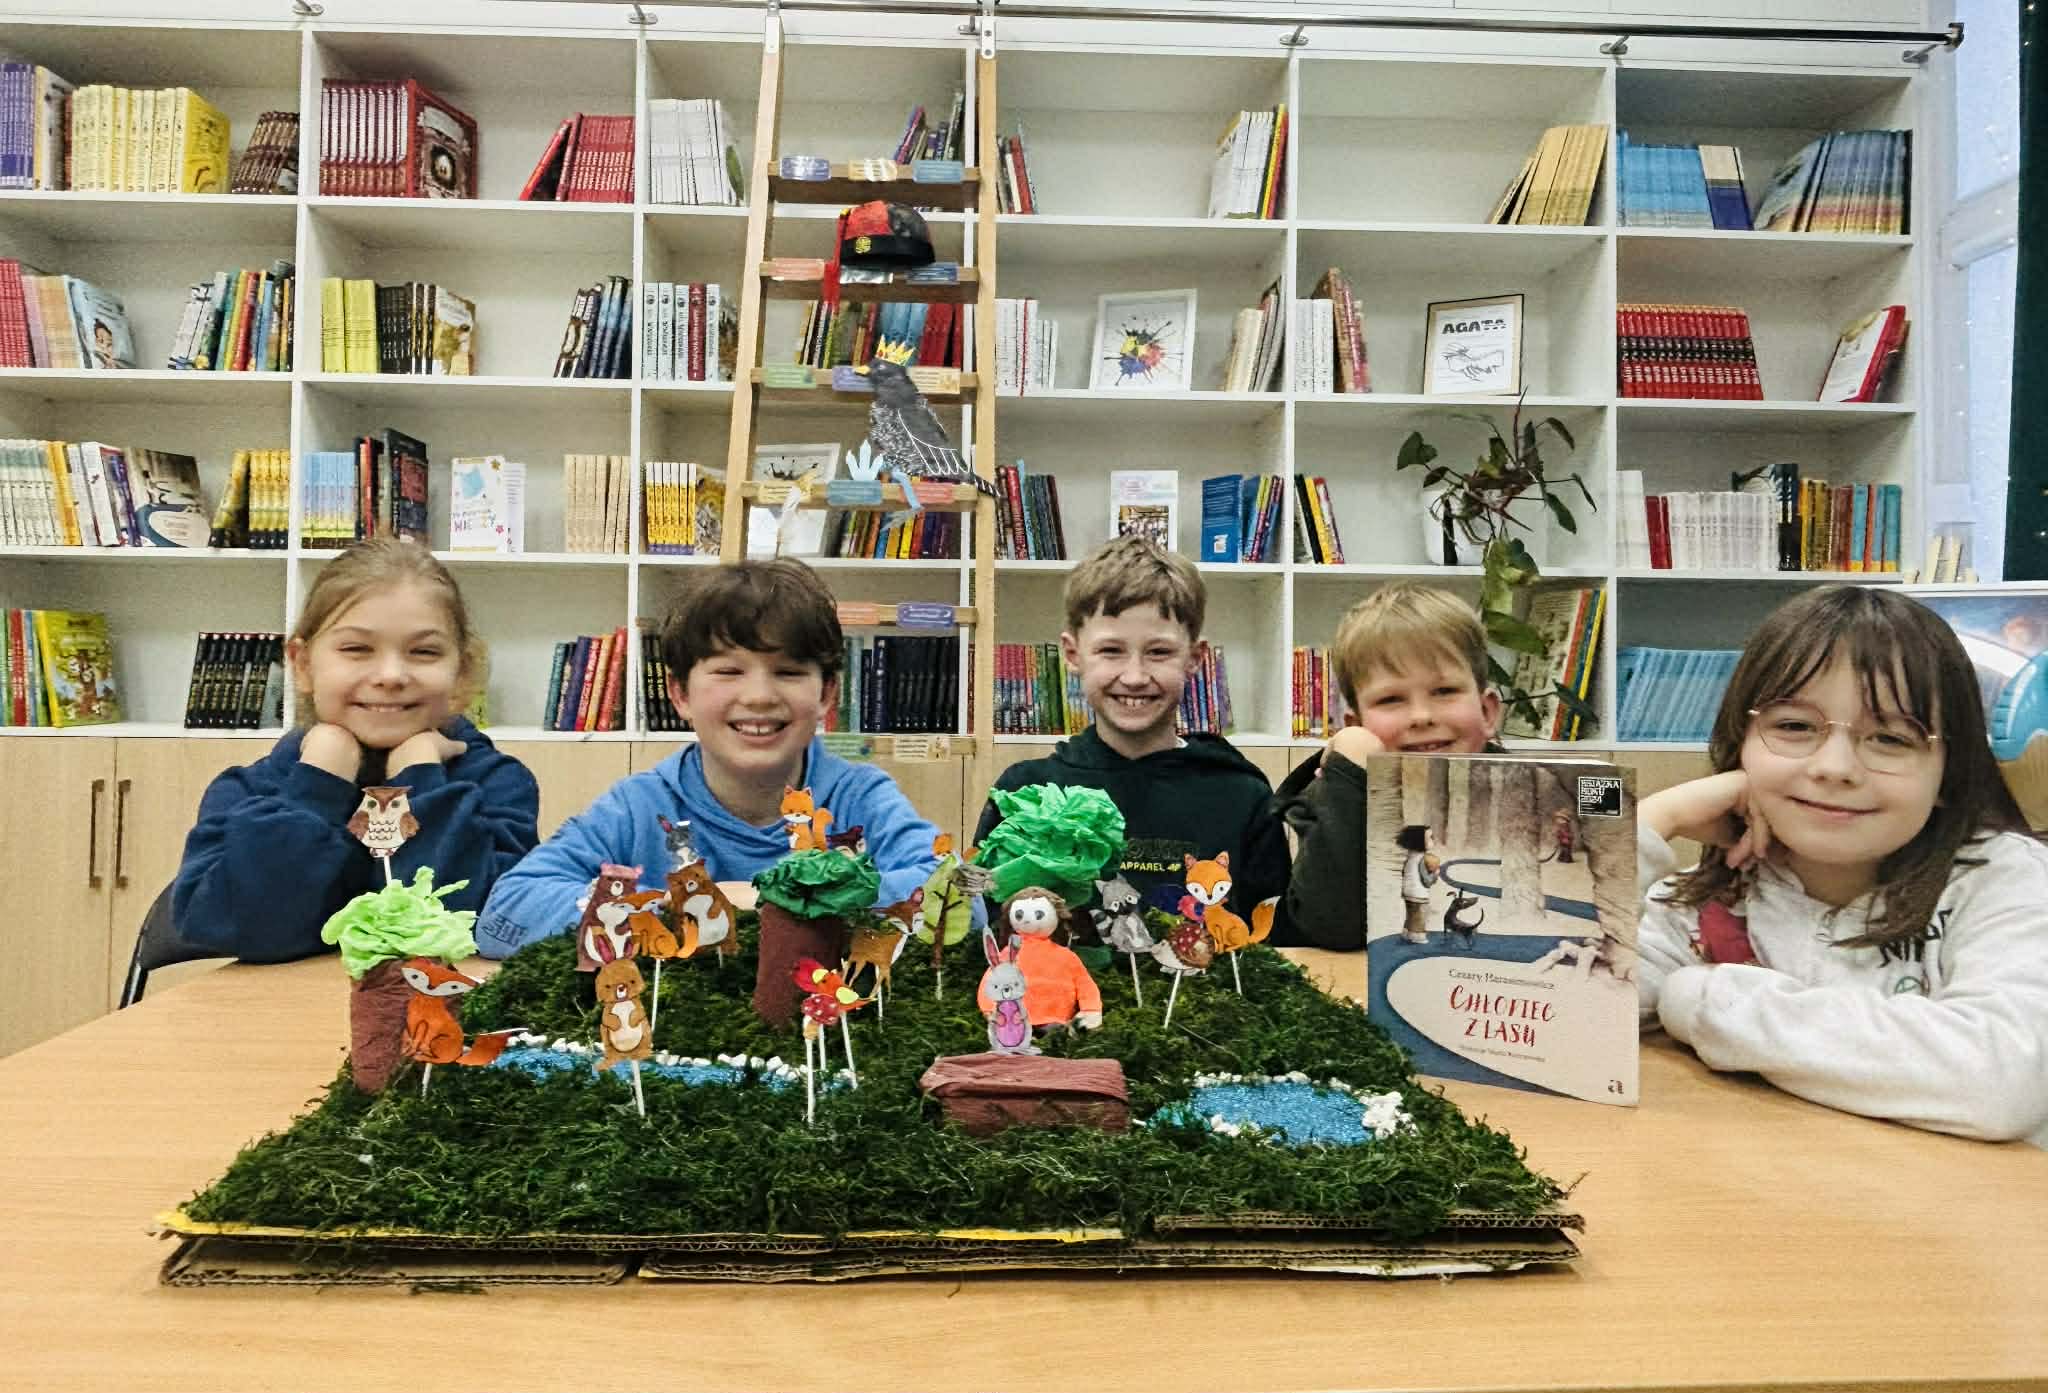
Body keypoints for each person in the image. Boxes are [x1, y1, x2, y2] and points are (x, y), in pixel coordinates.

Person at [1637, 585, 2048, 1145]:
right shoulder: (1700, 901)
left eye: (1890, 738)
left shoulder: (2008, 880)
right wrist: (1652, 817)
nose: (1834, 767)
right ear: (1740, 744)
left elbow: (2001, 1082)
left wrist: (1705, 1001)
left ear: (1949, 774)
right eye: (1794, 727)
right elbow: (1543, 1020)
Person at [476, 558, 950, 957]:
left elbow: (950, 893)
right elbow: (506, 913)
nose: (759, 696)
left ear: (827, 694)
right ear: (680, 693)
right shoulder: (639, 807)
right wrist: (672, 909)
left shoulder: (860, 797)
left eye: (788, 671)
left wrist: (783, 901)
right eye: (728, 671)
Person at [173, 539, 539, 962]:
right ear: (303, 664)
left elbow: (468, 924)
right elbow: (245, 930)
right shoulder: (248, 791)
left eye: (424, 652)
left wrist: (419, 779)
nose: (391, 675)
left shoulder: (499, 786)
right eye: (356, 649)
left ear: (461, 671)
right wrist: (319, 782)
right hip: (281, 1003)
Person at [971, 535, 1290, 933]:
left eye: (1158, 652)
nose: (1135, 676)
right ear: (1073, 654)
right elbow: (983, 929)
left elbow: (1275, 942)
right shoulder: (1024, 792)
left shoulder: (1242, 796)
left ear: (1194, 658)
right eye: (1111, 651)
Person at [1273, 583, 1504, 950]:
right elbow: (1331, 928)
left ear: (1488, 711)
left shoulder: (1538, 791)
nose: (1421, 716)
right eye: (1391, 699)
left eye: (1444, 691)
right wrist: (1351, 775)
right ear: (1356, 726)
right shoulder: (1338, 792)